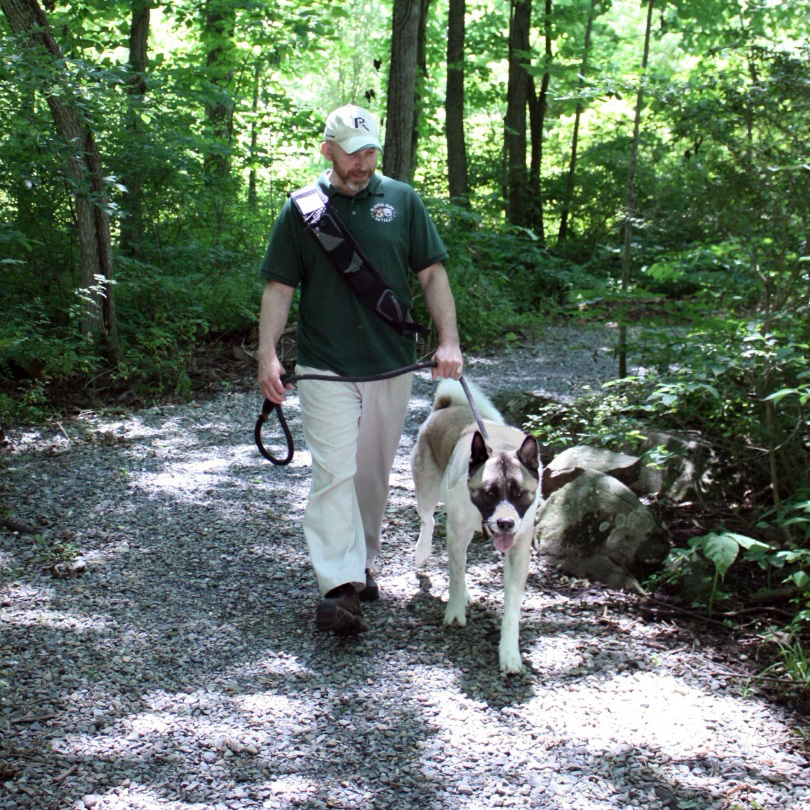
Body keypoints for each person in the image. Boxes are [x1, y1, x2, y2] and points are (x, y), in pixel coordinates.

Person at [257, 104, 463, 636]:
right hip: (326, 367)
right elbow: (279, 287)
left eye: (370, 152)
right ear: (327, 150)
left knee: (371, 475)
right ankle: (339, 585)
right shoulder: (300, 211)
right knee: (333, 474)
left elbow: (433, 275)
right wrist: (268, 353)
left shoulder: (403, 200)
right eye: (352, 154)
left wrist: (449, 341)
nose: (363, 164)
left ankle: (364, 561)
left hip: (391, 365)